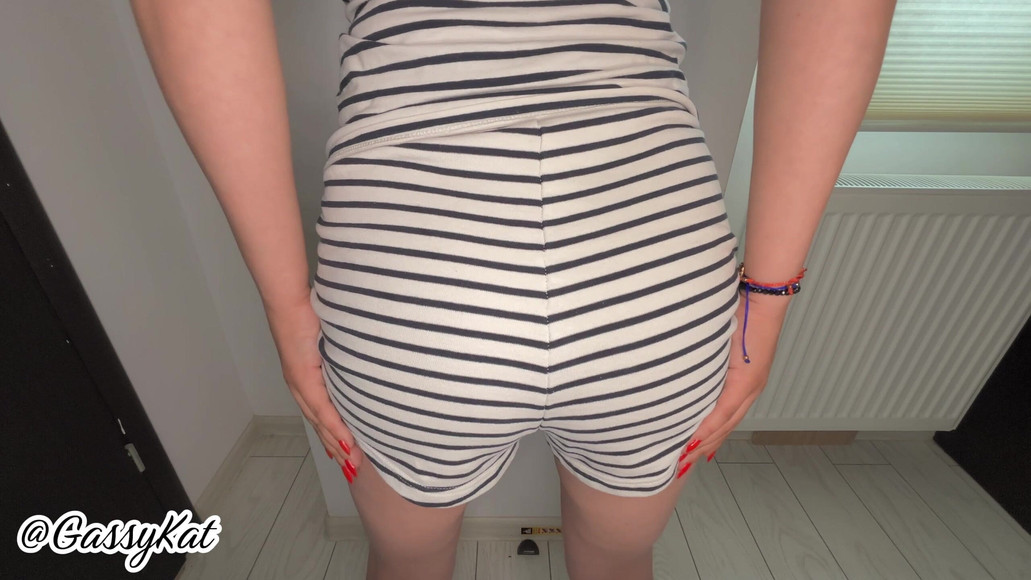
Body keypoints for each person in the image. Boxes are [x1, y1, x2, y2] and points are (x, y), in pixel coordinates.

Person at [129, 0, 896, 578]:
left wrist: (285, 305)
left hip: (411, 266)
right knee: (616, 563)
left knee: (406, 564)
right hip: (651, 252)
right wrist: (767, 298)